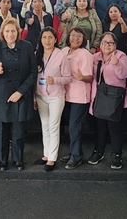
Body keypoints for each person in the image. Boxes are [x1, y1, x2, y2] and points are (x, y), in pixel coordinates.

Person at [0, 18, 38, 171]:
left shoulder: (27, 47)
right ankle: (2, 161)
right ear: (2, 32)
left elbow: (33, 71)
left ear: (18, 32)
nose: (10, 34)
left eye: (13, 31)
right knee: (1, 131)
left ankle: (18, 160)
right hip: (1, 96)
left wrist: (21, 92)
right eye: (7, 31)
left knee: (18, 131)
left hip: (20, 95)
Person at [88, 32, 127, 169]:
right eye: (104, 42)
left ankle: (116, 154)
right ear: (100, 44)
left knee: (114, 129)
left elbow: (125, 75)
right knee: (99, 127)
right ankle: (98, 152)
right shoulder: (94, 57)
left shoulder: (121, 56)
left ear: (115, 45)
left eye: (110, 42)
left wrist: (117, 64)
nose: (107, 45)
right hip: (99, 98)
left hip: (114, 99)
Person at [33, 27, 71, 171]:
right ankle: (46, 154)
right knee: (45, 125)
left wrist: (54, 80)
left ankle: (52, 158)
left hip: (56, 96)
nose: (47, 40)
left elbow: (68, 77)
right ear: (40, 39)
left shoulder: (61, 55)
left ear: (55, 39)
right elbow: (34, 77)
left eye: (50, 37)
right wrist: (34, 97)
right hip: (41, 95)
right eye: (44, 37)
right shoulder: (37, 54)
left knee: (54, 127)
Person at [58, 27, 94, 169]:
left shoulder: (85, 54)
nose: (75, 38)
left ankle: (76, 156)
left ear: (83, 39)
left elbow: (90, 77)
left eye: (79, 36)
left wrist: (82, 77)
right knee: (69, 126)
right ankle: (75, 151)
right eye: (73, 35)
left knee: (74, 127)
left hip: (79, 96)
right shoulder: (64, 51)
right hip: (64, 94)